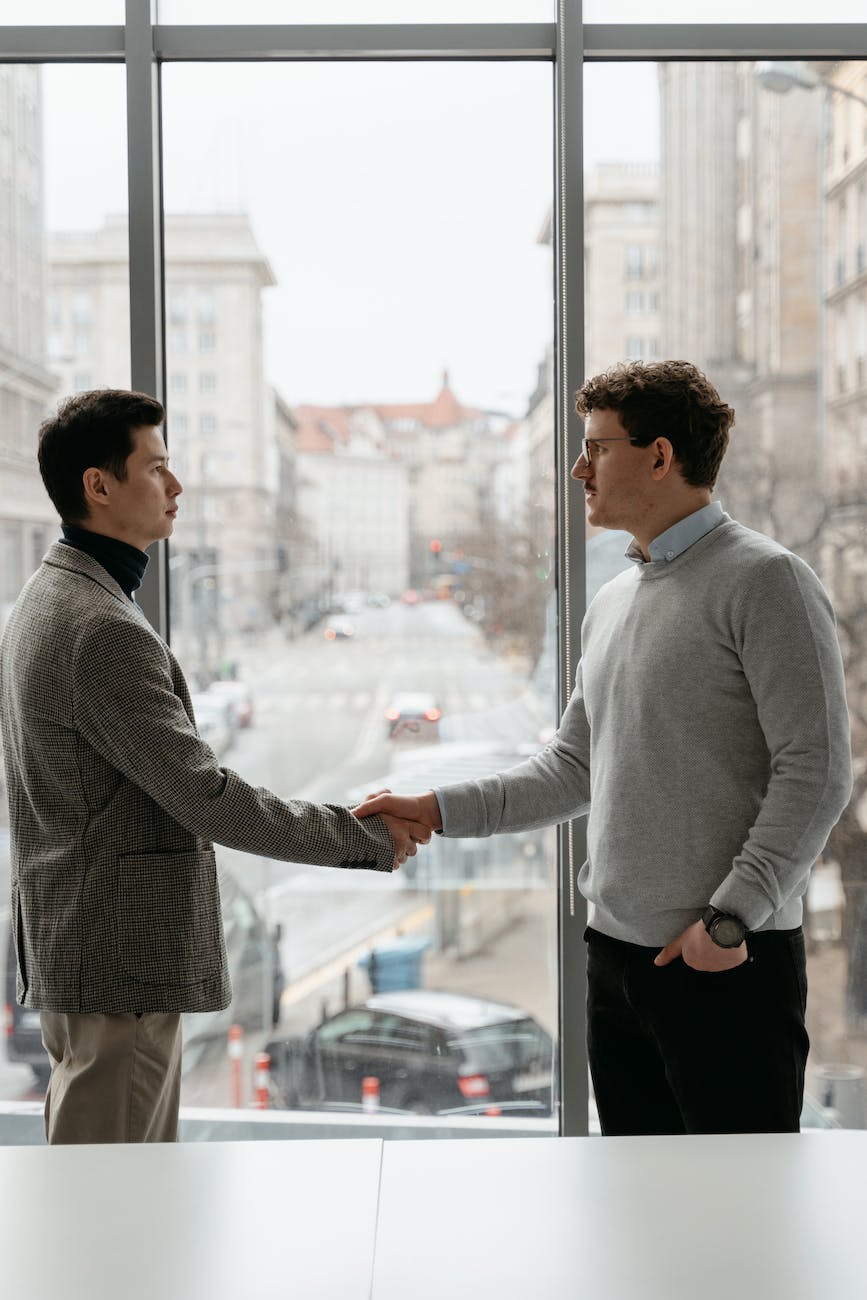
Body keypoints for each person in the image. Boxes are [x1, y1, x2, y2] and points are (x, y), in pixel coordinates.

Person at [356, 358, 853, 1136]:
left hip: (721, 964)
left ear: (660, 455)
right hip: (615, 961)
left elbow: (818, 771)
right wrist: (436, 809)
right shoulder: (616, 599)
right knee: (639, 1211)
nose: (579, 468)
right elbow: (571, 767)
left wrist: (730, 921)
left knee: (734, 1220)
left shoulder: (767, 582)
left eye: (598, 447)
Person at [0, 389, 429, 1145]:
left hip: (87, 951)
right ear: (98, 486)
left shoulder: (50, 597)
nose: (177, 487)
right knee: (114, 1211)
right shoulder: (98, 629)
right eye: (156, 468)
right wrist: (359, 836)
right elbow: (209, 798)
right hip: (117, 962)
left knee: (110, 1195)